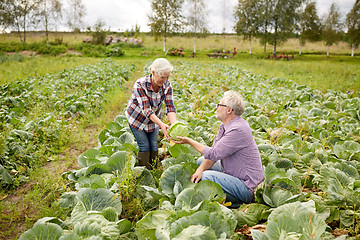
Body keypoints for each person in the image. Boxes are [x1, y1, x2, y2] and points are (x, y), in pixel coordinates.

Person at [174, 90, 264, 205]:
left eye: (219, 105)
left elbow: (213, 153)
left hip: (247, 186)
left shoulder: (237, 130)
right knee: (201, 162)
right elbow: (212, 155)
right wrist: (199, 170)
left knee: (206, 177)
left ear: (229, 110)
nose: (216, 108)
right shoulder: (225, 126)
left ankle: (238, 203)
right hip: (233, 173)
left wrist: (189, 141)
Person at [126, 58, 177, 169]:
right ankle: (145, 172)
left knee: (153, 145)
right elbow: (146, 110)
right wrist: (162, 125)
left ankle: (153, 170)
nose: (165, 80)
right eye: (162, 77)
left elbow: (170, 107)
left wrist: (175, 126)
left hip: (154, 120)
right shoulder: (140, 84)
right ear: (153, 72)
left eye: (167, 77)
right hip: (137, 119)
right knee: (144, 146)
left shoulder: (167, 86)